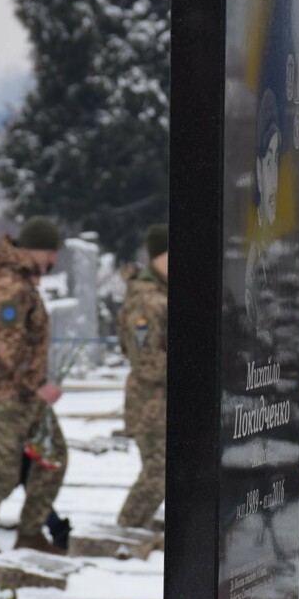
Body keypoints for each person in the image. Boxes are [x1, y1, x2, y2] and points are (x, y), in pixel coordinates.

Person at [0, 218, 69, 567]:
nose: (52, 260)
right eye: (49, 252)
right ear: (32, 250)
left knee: (53, 459)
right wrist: (39, 384)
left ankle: (30, 534)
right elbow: (10, 345)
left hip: (28, 398)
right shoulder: (10, 287)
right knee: (1, 471)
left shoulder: (24, 284)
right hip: (6, 397)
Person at [116, 224, 169, 529]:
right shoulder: (146, 302)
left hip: (162, 404)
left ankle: (139, 523)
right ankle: (127, 527)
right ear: (158, 258)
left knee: (168, 472)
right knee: (157, 473)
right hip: (151, 406)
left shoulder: (161, 294)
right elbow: (145, 360)